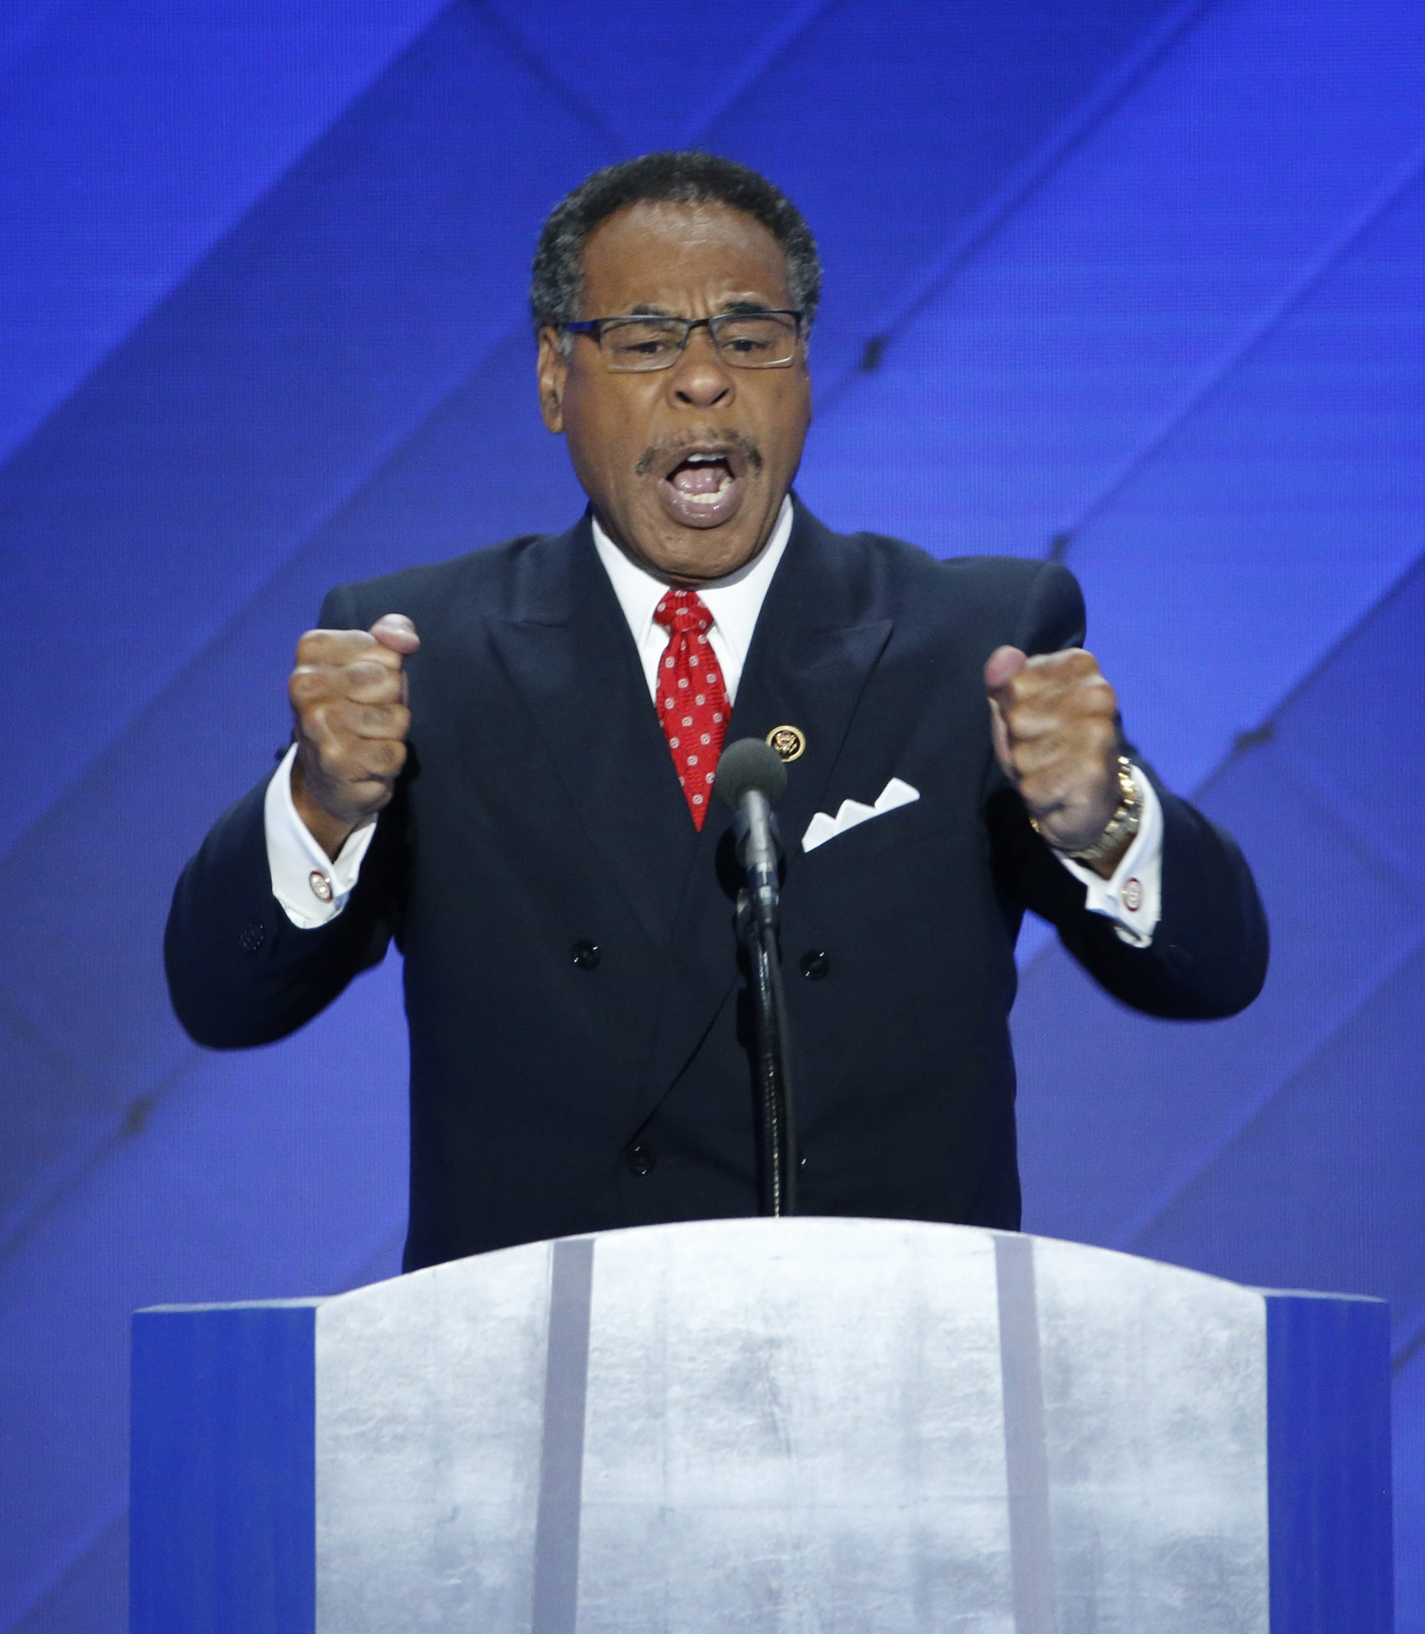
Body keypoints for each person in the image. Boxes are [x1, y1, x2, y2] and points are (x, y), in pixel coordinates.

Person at [166, 152, 1266, 1272]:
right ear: (553, 379)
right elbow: (225, 996)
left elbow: (1212, 970)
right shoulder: (428, 655)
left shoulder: (969, 642)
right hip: (547, 1355)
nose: (704, 380)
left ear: (805, 369)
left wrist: (1106, 822)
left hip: (885, 1346)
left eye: (750, 337)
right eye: (646, 341)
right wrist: (319, 808)